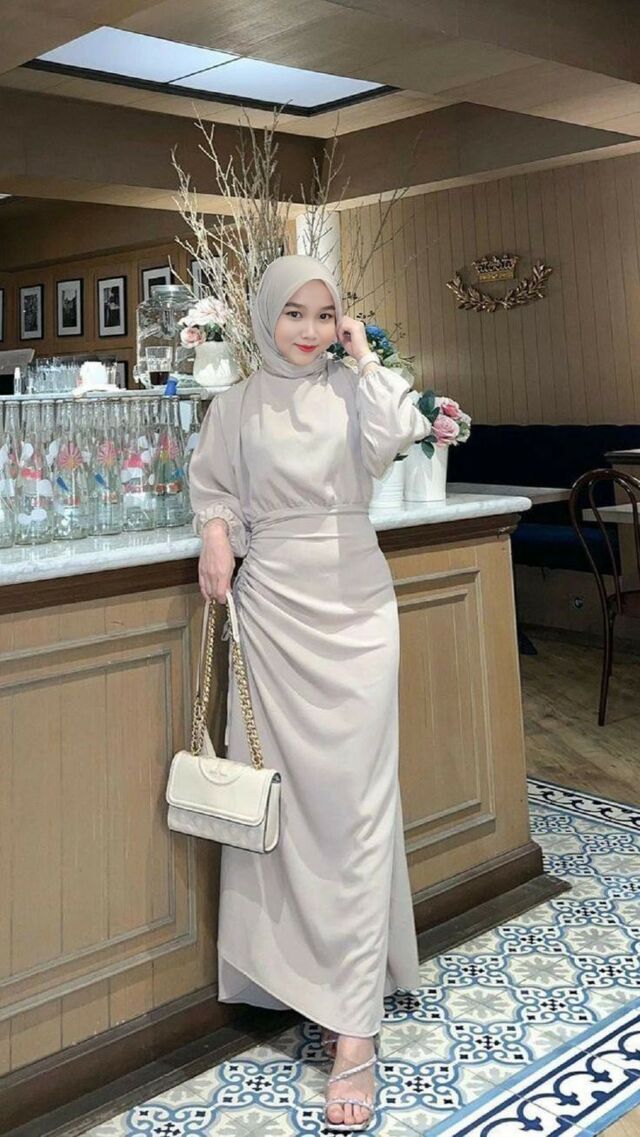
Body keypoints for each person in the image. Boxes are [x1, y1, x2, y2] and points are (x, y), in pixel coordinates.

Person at [189, 255, 431, 1131]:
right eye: (294, 312)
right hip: (271, 610)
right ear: (265, 315)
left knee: (355, 809)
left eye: (325, 315)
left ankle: (355, 1028)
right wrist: (216, 532)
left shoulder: (353, 389)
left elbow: (402, 428)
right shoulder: (233, 405)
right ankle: (304, 980)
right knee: (286, 807)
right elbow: (213, 485)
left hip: (356, 607)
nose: (309, 330)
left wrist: (364, 358)